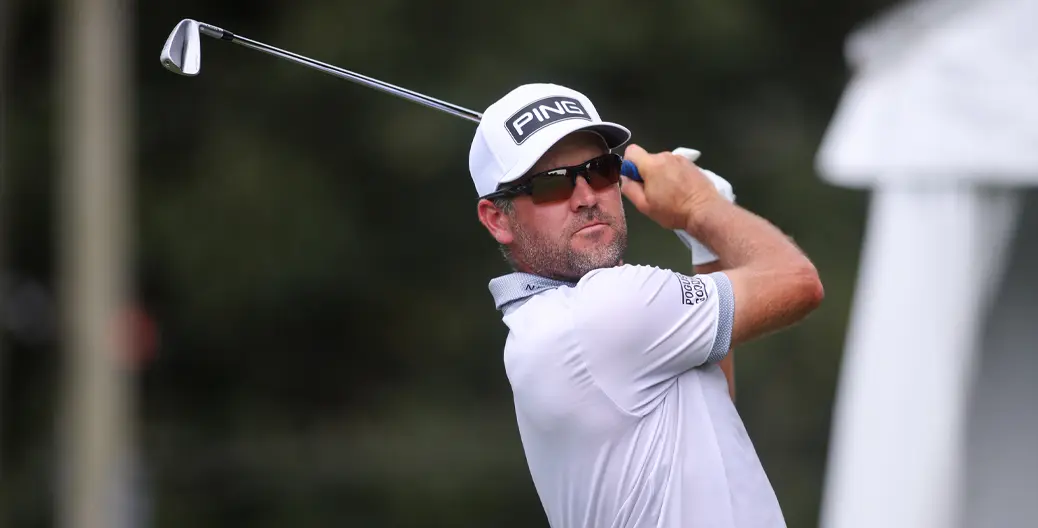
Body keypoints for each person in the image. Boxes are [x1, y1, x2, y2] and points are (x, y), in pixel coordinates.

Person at [469, 83, 824, 528]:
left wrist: (705, 244)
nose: (586, 197)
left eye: (600, 170)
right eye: (551, 184)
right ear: (497, 219)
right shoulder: (604, 308)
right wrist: (700, 207)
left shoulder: (546, 324)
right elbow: (798, 282)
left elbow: (710, 408)